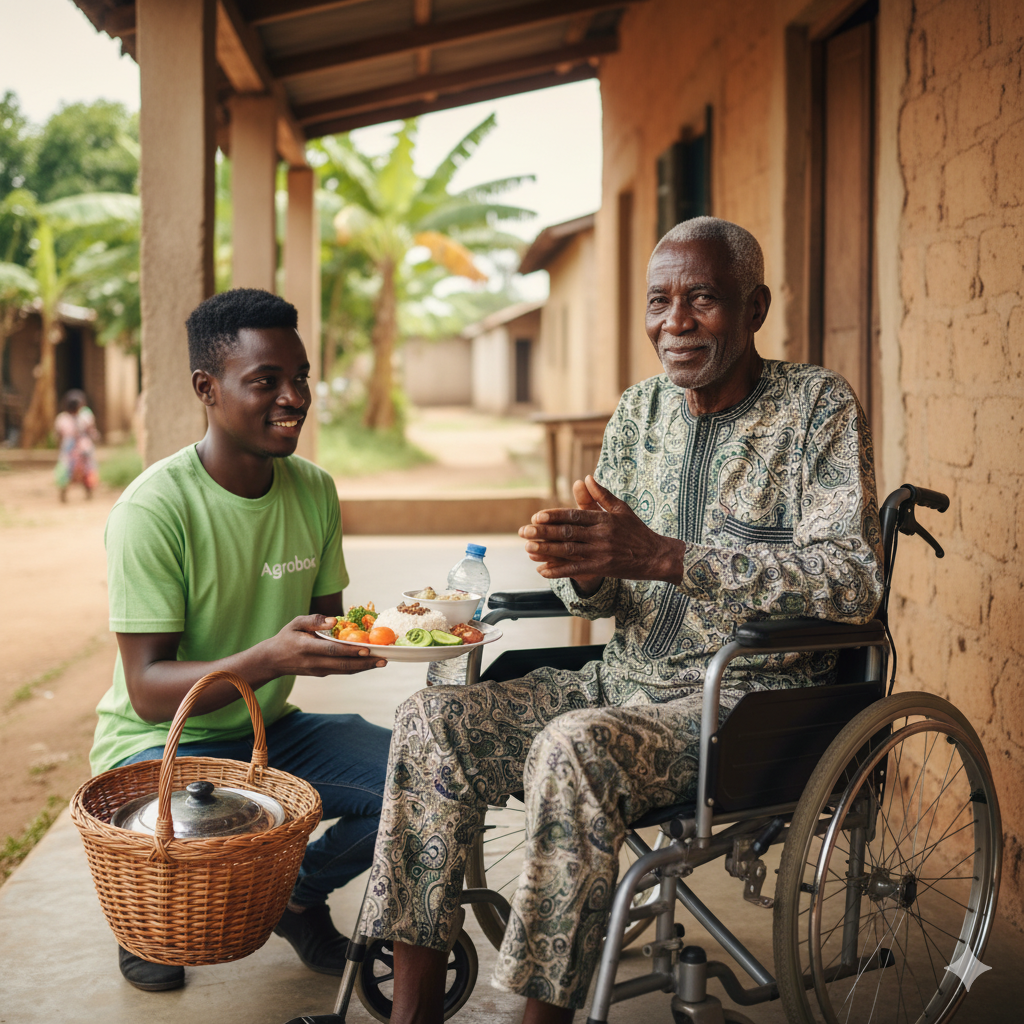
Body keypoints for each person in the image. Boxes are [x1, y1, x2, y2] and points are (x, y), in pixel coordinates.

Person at [356, 217, 885, 1024]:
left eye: (703, 299)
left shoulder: (816, 408)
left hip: (742, 708)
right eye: (659, 301)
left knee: (574, 746)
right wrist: (587, 569)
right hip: (618, 684)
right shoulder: (639, 412)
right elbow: (605, 594)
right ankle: (411, 1015)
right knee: (430, 721)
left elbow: (852, 583)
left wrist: (673, 557)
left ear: (755, 307)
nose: (675, 322)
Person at [89, 288, 392, 992]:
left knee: (421, 781)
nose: (294, 397)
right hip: (161, 743)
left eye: (301, 377)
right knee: (185, 862)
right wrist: (270, 657)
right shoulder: (154, 510)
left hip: (269, 730)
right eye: (266, 381)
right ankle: (152, 923)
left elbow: (327, 627)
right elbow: (148, 689)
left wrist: (379, 641)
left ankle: (298, 897)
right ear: (207, 388)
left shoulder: (314, 490)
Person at [54, 389, 99, 501]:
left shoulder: (62, 418)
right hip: (80, 447)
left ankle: (64, 495)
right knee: (84, 469)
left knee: (68, 470)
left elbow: (58, 436)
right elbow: (91, 431)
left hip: (71, 448)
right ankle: (88, 494)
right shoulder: (85, 416)